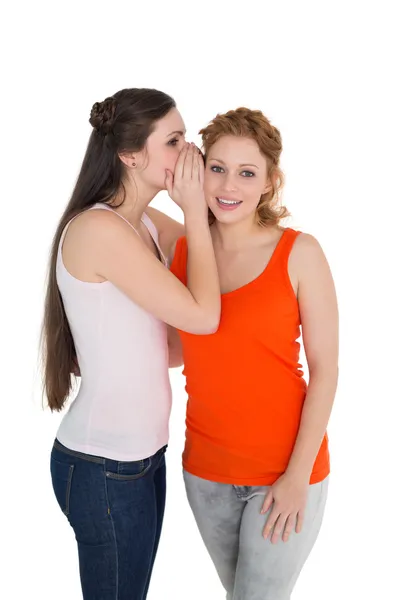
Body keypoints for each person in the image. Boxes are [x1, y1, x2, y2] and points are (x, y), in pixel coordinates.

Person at [41, 87, 221, 600]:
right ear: (129, 154)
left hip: (143, 457)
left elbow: (214, 238)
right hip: (104, 466)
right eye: (175, 141)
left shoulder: (140, 223)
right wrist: (190, 209)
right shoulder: (100, 229)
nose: (188, 155)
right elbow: (203, 315)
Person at [169, 107, 339, 600]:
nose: (229, 185)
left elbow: (326, 372)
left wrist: (296, 478)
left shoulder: (299, 252)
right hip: (205, 472)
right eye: (217, 168)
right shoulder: (184, 251)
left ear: (269, 182)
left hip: (284, 472)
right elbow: (180, 350)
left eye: (247, 173)